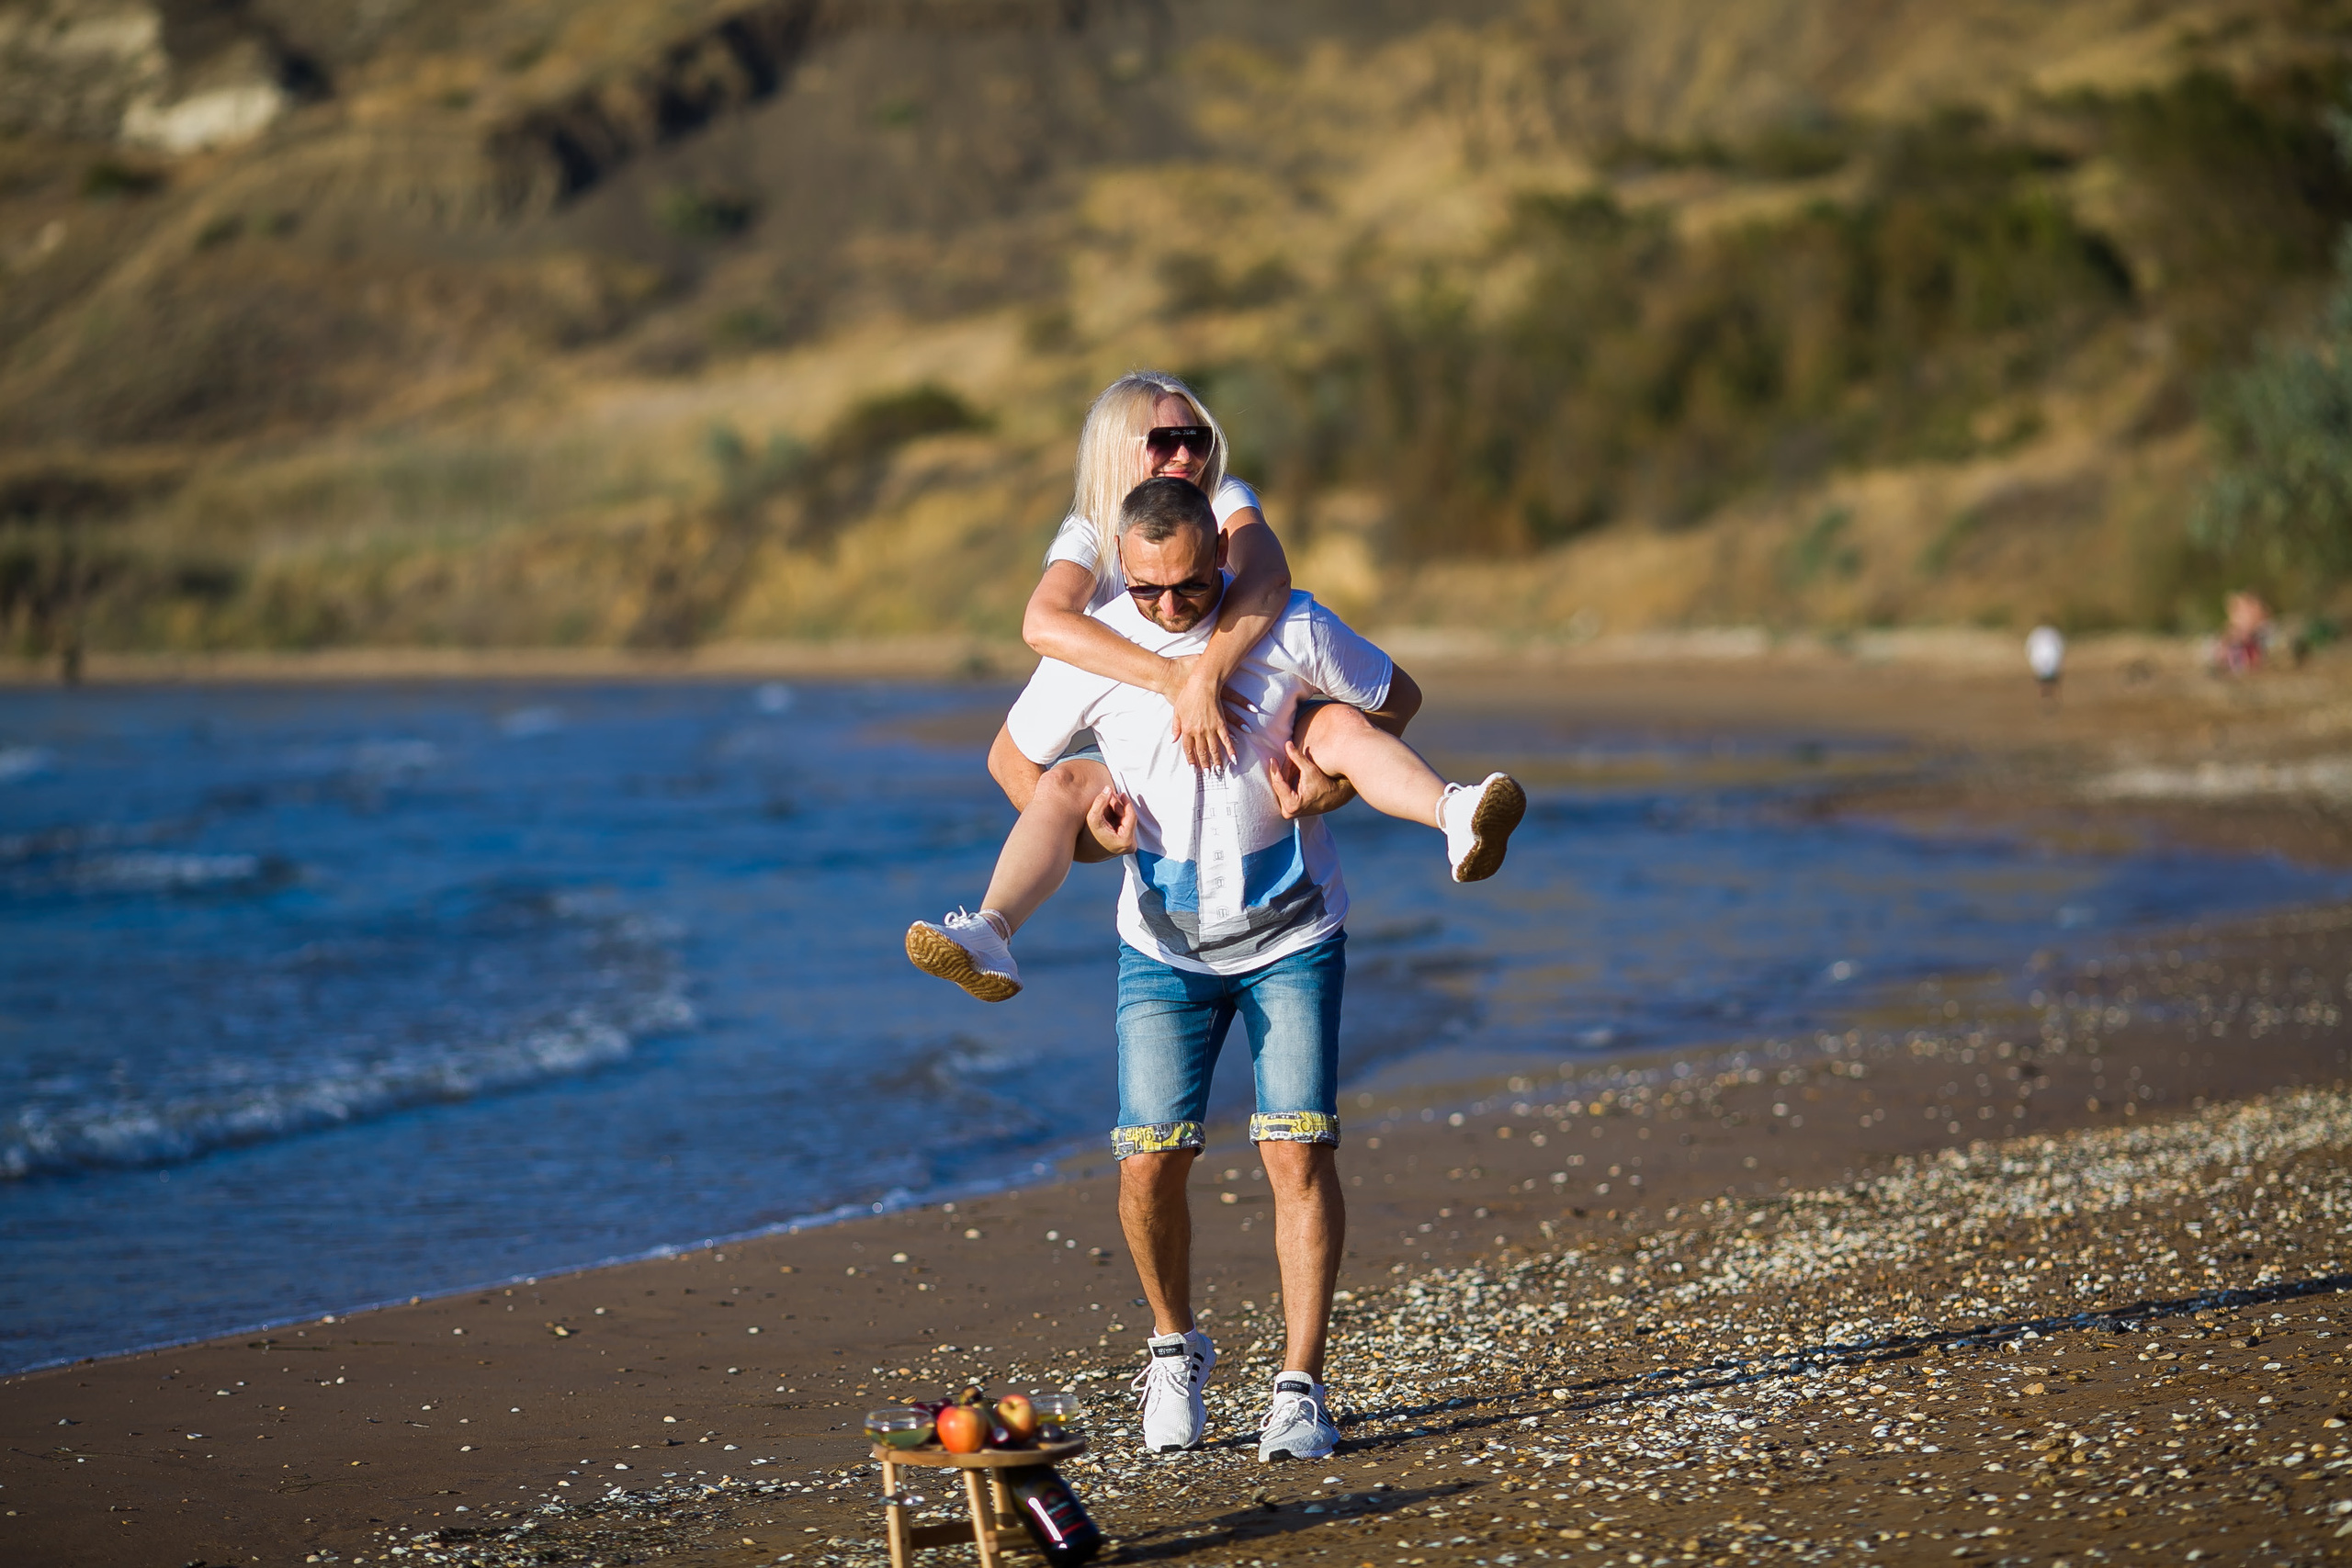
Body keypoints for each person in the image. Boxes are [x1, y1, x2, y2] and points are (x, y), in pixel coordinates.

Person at [989, 476, 1515, 1461]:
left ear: (1220, 560)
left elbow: (1394, 698)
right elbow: (1013, 765)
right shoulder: (1099, 643)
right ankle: (1174, 1348)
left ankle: (1299, 1389)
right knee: (1148, 1164)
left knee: (1298, 1152)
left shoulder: (1289, 625)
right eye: (1147, 590)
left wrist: (1328, 783)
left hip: (1293, 936)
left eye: (1187, 586)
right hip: (1162, 951)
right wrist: (1094, 838)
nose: (1167, 608)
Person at [905, 370, 1521, 1001]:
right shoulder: (1093, 526)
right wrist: (1098, 831)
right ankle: (990, 932)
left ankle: (1457, 814)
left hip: (1255, 700)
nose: (1184, 455)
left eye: (1195, 438)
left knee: (1339, 728)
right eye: (1163, 441)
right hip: (1139, 736)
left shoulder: (1222, 494)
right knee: (1062, 785)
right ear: (1119, 452)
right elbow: (1044, 622)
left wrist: (1211, 684)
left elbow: (1268, 578)